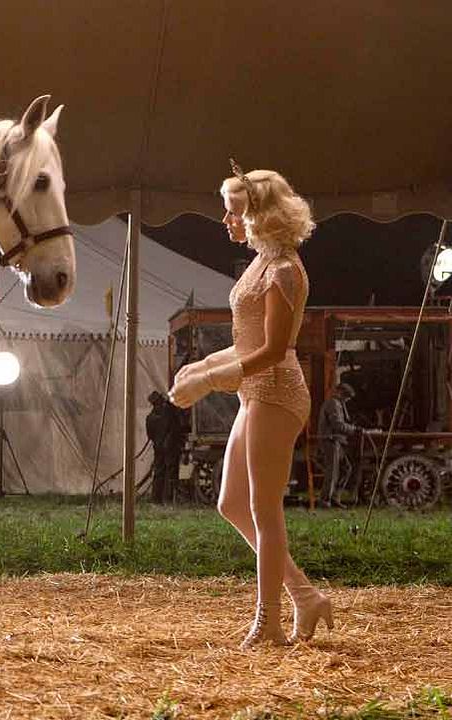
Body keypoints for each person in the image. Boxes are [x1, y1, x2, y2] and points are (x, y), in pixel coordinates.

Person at [169, 160, 332, 647]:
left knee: (264, 509)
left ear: (261, 215)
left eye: (234, 211)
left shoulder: (284, 271)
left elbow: (274, 350)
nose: (226, 220)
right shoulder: (262, 263)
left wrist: (208, 380)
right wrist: (200, 367)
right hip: (256, 392)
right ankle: (305, 597)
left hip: (277, 393)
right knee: (231, 503)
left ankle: (270, 623)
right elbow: (247, 343)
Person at [318, 383, 360, 506]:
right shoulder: (333, 404)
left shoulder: (338, 404)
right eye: (346, 397)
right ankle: (325, 500)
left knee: (346, 468)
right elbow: (337, 425)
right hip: (330, 440)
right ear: (341, 393)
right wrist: (354, 430)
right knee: (332, 471)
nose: (347, 400)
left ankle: (335, 497)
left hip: (336, 441)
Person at [145, 390, 185, 504]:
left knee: (159, 472)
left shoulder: (150, 418)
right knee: (171, 473)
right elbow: (177, 427)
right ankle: (169, 498)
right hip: (170, 447)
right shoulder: (169, 413)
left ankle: (156, 498)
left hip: (158, 447)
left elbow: (150, 435)